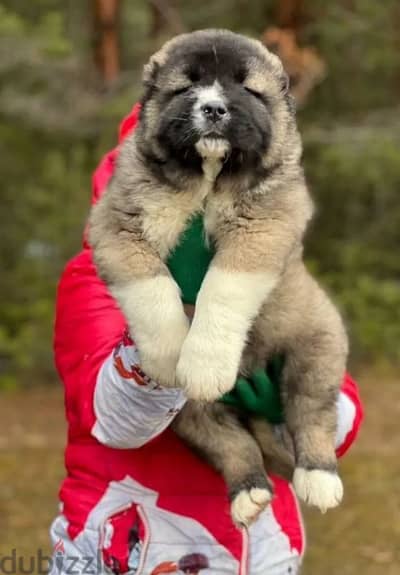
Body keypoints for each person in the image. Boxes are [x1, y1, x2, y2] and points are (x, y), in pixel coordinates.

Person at [49, 105, 363, 575]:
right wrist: (174, 325)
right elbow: (116, 422)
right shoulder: (92, 278)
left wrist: (291, 403)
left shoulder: (268, 272)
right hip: (132, 547)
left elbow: (341, 418)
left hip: (262, 548)